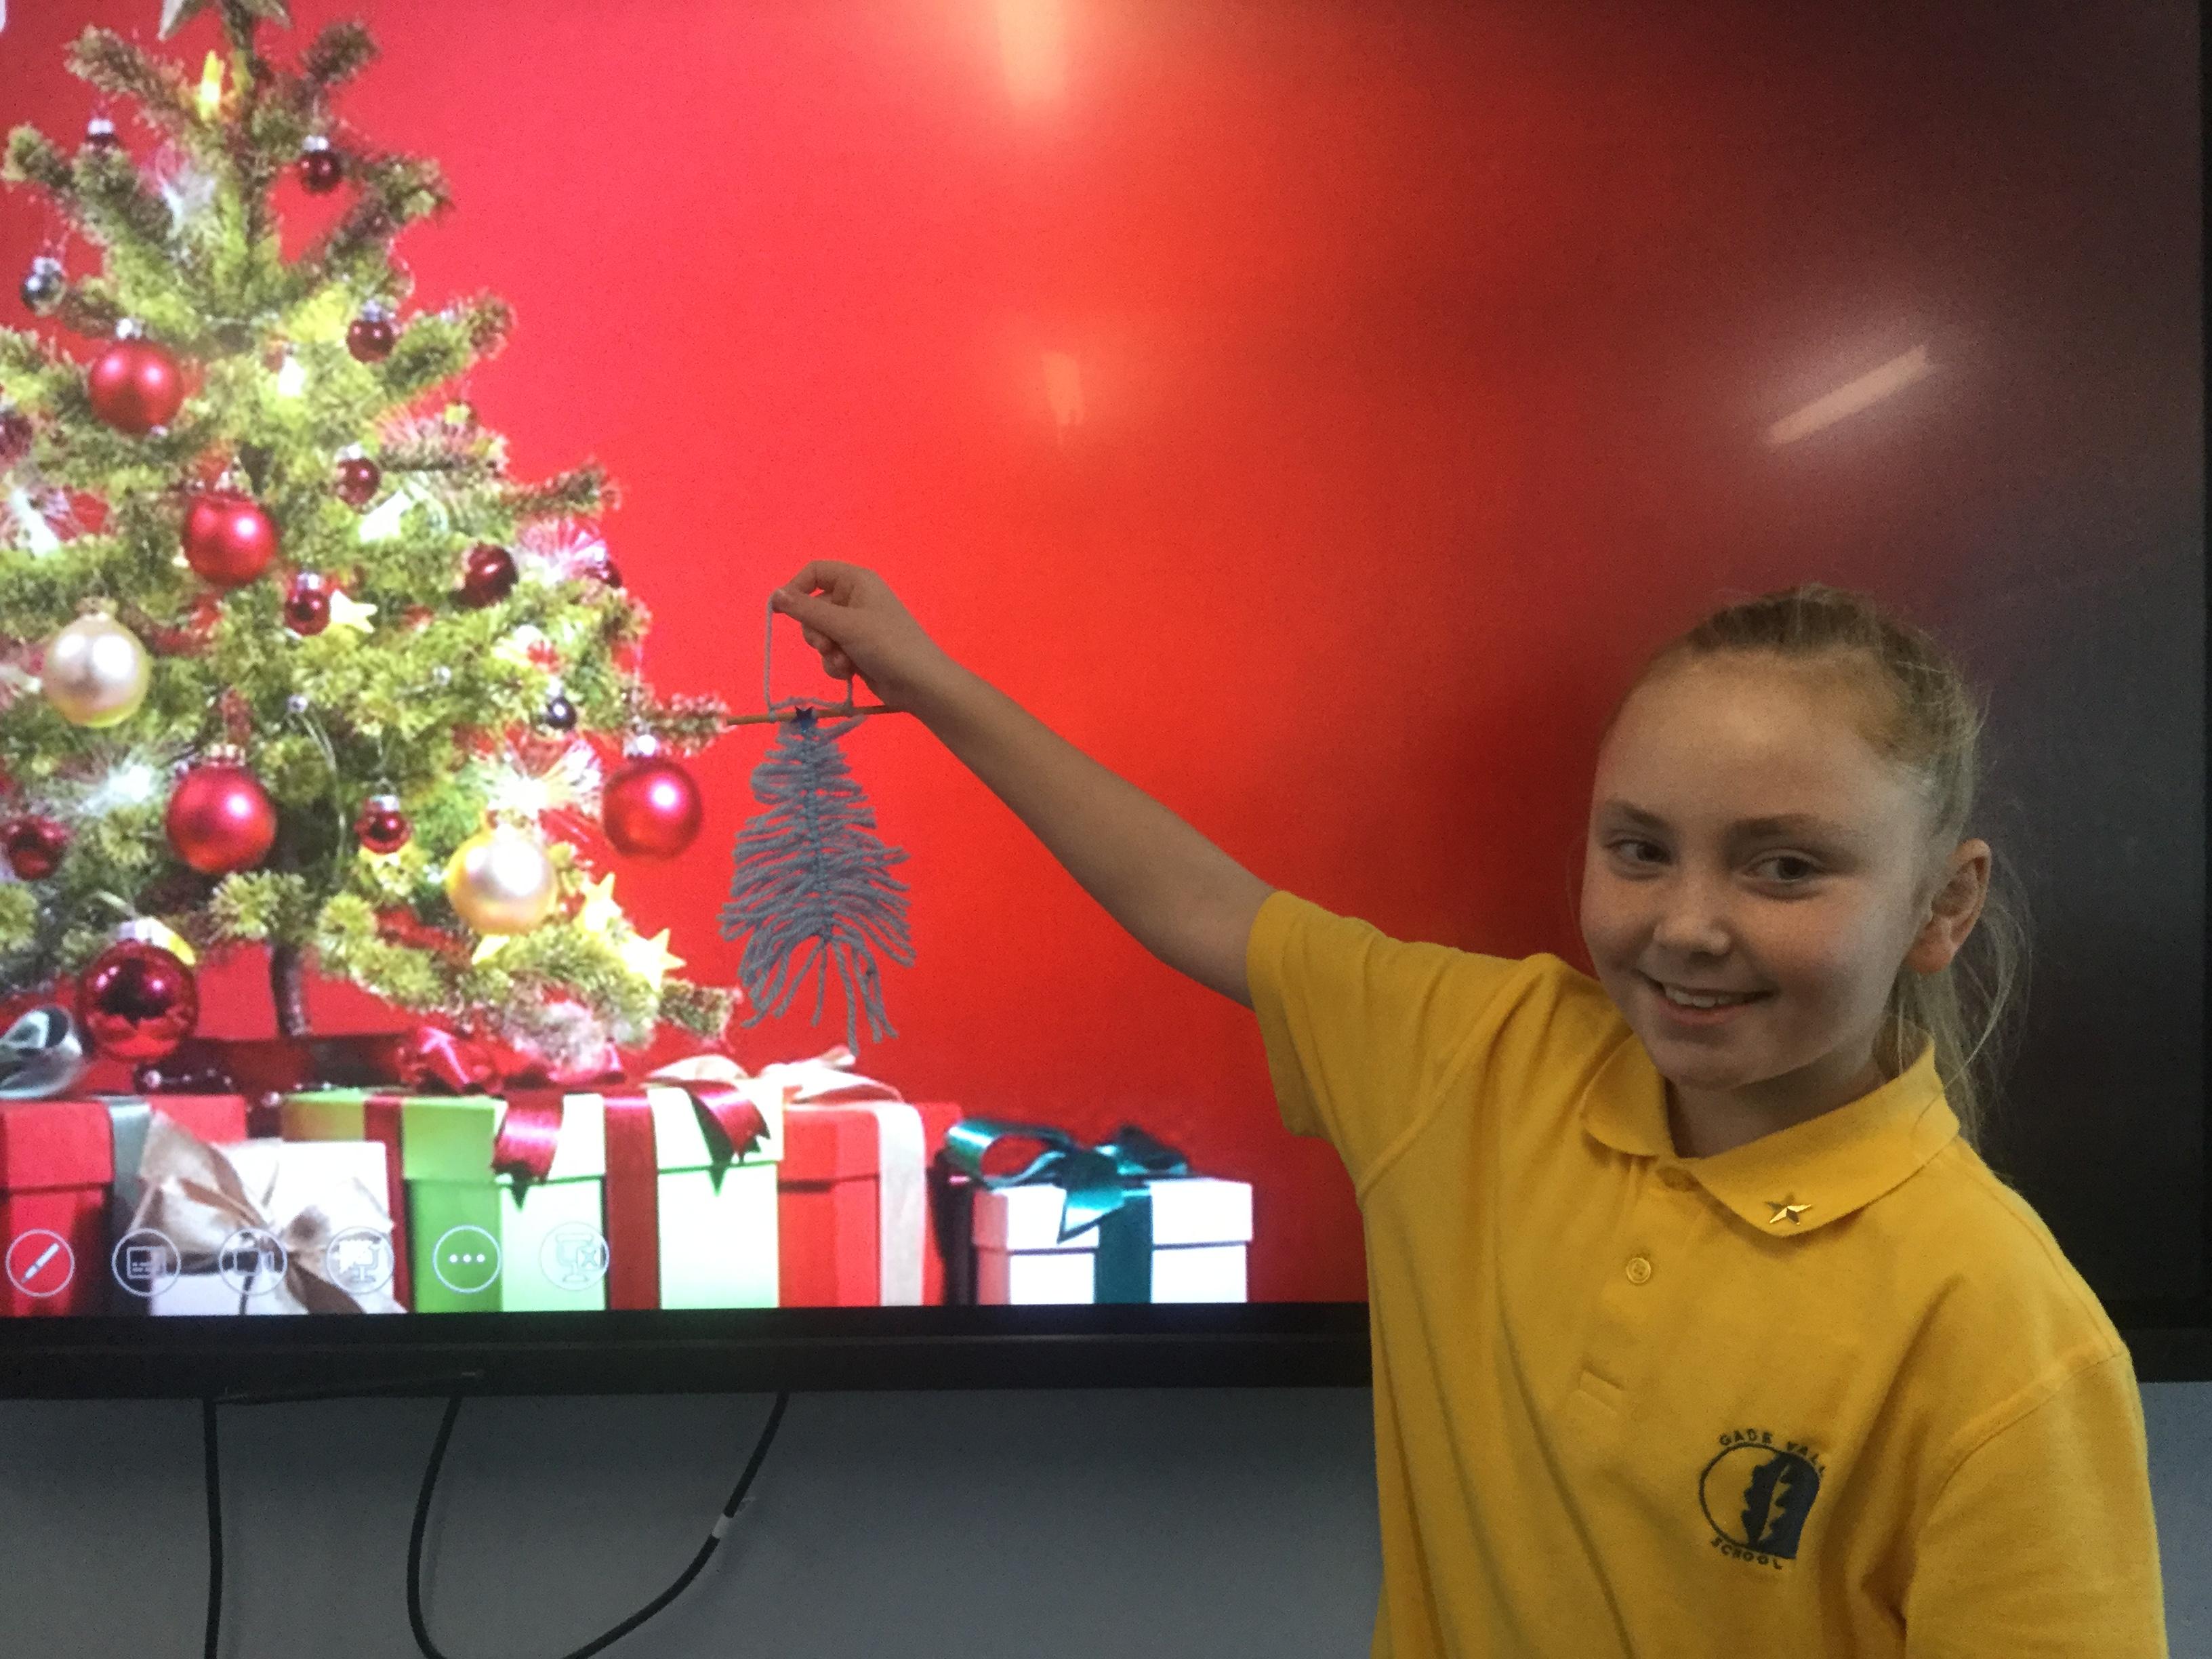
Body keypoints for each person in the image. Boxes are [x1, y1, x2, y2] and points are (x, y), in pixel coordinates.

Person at [768, 562, 2167, 1657]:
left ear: (1943, 905)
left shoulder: (2001, 1336)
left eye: (1785, 868)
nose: (1689, 925)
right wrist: (926, 680)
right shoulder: (1480, 1061)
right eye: (1640, 850)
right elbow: (1196, 901)